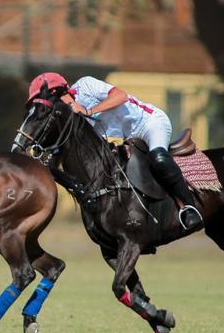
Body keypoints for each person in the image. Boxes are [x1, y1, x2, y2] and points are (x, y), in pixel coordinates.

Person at [27, 72, 203, 232]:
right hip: (127, 140)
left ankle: (188, 208)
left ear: (59, 94)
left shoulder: (85, 85)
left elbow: (120, 96)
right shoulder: (70, 120)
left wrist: (88, 111)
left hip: (149, 123)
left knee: (158, 158)